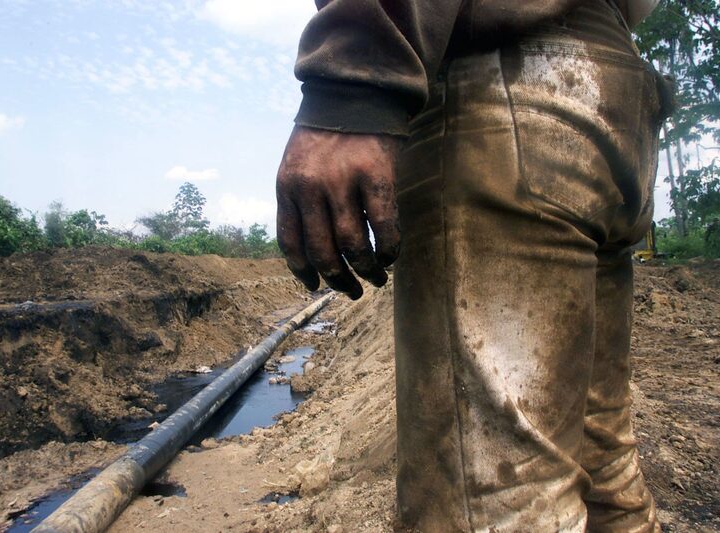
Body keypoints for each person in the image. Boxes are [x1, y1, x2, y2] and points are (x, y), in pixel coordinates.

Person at [276, 0, 668, 530]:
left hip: (499, 93)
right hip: (609, 86)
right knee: (604, 471)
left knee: (497, 504)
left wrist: (353, 84)